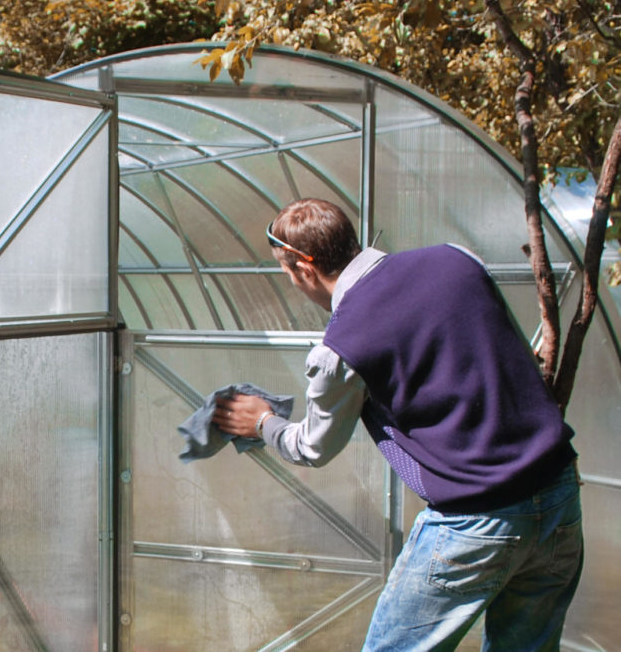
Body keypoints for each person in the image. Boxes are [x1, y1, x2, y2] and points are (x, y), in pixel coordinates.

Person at [212, 198, 583, 651]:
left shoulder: (342, 345)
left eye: (288, 274)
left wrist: (263, 422)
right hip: (560, 495)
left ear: (305, 270)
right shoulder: (457, 260)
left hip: (474, 521)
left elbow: (313, 447)